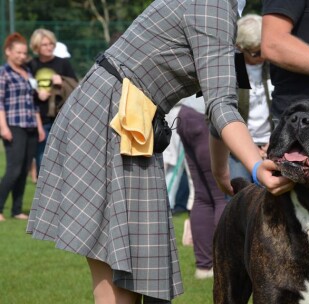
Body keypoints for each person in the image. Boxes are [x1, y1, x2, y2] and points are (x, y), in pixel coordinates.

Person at [26, 1, 292, 303]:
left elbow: (219, 100)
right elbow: (221, 105)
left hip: (126, 117)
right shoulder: (213, 6)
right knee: (124, 278)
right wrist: (257, 166)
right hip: (114, 118)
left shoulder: (225, 11)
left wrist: (221, 173)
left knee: (139, 275)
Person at [177, 95, 227, 280]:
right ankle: (224, 264)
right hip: (206, 117)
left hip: (187, 113)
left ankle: (204, 267)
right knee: (222, 195)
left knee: (202, 195)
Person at [0, 33, 45, 222]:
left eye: (24, 53)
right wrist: (3, 127)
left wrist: (40, 126)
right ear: (8, 52)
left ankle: (17, 210)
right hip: (13, 125)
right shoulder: (4, 73)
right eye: (18, 52)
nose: (21, 56)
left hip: (31, 125)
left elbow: (33, 102)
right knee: (14, 169)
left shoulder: (28, 71)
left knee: (26, 167)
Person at [229, 14, 273, 182]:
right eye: (256, 53)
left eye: (265, 49)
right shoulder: (232, 68)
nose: (262, 56)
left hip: (272, 146)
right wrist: (251, 146)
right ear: (240, 47)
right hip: (240, 148)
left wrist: (275, 140)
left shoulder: (273, 65)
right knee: (241, 195)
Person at [28, 28, 77, 177]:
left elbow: (76, 87)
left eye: (51, 43)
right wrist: (37, 93)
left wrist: (61, 83)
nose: (49, 47)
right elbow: (26, 90)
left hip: (60, 116)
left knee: (63, 156)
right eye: (44, 44)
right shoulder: (31, 65)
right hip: (40, 118)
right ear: (36, 47)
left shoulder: (62, 63)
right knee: (42, 157)